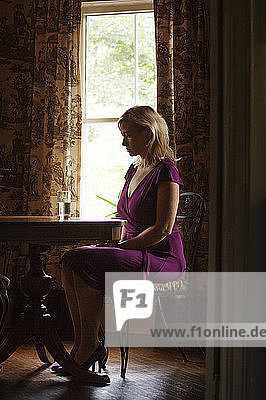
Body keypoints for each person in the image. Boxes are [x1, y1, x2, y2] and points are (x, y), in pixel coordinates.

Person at [56, 105, 186, 372]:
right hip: (136, 249)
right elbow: (127, 219)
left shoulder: (166, 171)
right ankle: (84, 344)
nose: (123, 141)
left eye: (128, 135)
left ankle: (89, 347)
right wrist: (116, 245)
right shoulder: (134, 168)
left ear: (148, 135)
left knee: (83, 260)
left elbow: (162, 229)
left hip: (162, 257)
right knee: (70, 258)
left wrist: (122, 246)